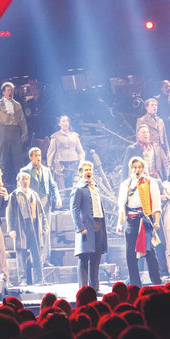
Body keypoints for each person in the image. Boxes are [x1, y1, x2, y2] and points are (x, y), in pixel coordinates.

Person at [115, 156, 162, 286]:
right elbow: (121, 206)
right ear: (131, 169)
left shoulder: (150, 182)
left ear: (143, 168)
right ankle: (135, 285)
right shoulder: (125, 184)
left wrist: (156, 221)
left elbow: (156, 204)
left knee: (149, 252)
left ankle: (157, 283)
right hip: (130, 221)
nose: (137, 170)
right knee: (130, 255)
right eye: (135, 167)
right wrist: (119, 223)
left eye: (139, 167)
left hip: (145, 220)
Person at [70, 161, 106, 290]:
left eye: (90, 169)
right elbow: (74, 209)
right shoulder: (78, 189)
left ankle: (95, 288)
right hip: (86, 226)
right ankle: (84, 290)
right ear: (80, 173)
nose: (88, 172)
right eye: (85, 170)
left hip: (99, 223)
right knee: (84, 258)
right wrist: (80, 227)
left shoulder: (95, 187)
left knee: (96, 259)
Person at [7, 171, 46, 286]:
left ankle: (39, 279)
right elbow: (10, 214)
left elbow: (42, 212)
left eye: (27, 179)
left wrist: (45, 225)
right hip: (21, 226)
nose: (25, 181)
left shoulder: (34, 194)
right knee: (21, 254)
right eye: (23, 179)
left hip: (34, 225)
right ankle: (22, 280)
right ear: (19, 181)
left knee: (37, 253)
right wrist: (11, 229)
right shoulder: (14, 195)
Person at [0, 82, 29, 179]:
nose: (10, 92)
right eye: (8, 90)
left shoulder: (17, 105)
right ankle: (0, 181)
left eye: (11, 90)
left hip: (15, 132)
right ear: (3, 92)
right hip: (3, 132)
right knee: (3, 158)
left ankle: (22, 179)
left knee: (18, 157)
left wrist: (24, 133)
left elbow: (22, 120)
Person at [46, 115, 84, 193]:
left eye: (67, 121)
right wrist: (49, 165)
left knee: (73, 182)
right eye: (63, 121)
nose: (65, 123)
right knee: (61, 183)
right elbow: (51, 151)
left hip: (74, 161)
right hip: (60, 162)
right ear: (59, 124)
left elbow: (81, 151)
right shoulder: (55, 136)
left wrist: (81, 161)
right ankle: (63, 199)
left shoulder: (74, 135)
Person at [21, 147, 61, 217]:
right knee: (35, 225)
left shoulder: (46, 170)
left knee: (46, 226)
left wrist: (57, 198)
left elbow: (53, 186)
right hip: (31, 201)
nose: (38, 157)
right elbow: (20, 188)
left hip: (45, 201)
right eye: (36, 155)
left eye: (39, 155)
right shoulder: (25, 170)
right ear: (31, 157)